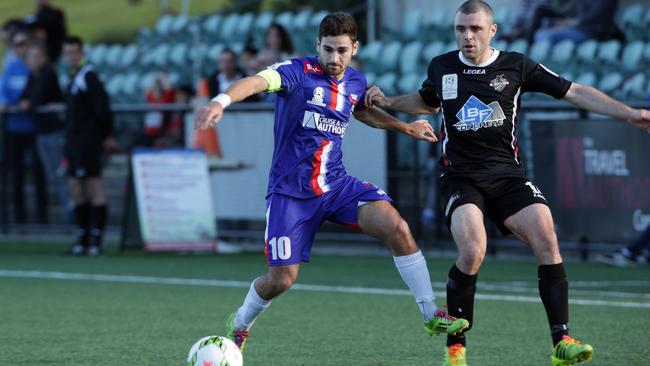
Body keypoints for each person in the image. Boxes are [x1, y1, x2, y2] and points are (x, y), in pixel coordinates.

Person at [364, 1, 650, 365]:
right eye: (461, 29)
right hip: (460, 177)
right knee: (472, 251)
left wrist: (629, 114)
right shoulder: (442, 66)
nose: (467, 36)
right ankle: (456, 348)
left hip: (508, 176)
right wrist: (387, 101)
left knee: (547, 236)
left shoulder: (517, 65)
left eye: (475, 29)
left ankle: (561, 341)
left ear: (492, 30)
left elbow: (574, 91)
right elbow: (426, 102)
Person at [194, 11, 470, 355]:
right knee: (281, 280)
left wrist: (405, 127)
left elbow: (362, 111)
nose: (334, 58)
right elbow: (255, 82)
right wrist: (221, 101)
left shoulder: (356, 81)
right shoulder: (296, 72)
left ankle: (430, 313)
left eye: (341, 50)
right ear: (317, 45)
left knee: (396, 227)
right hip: (290, 194)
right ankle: (239, 325)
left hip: (336, 186)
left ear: (354, 47)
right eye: (327, 50)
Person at [62, 36, 117, 256]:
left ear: (82, 52)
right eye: (67, 53)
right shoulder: (73, 77)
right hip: (74, 141)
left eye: (74, 52)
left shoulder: (89, 76)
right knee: (76, 188)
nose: (71, 57)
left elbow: (102, 109)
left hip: (87, 141)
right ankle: (83, 237)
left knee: (93, 186)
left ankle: (96, 238)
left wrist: (106, 135)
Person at [0, 28, 48, 224]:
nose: (21, 48)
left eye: (24, 43)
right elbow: (3, 91)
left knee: (39, 173)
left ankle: (42, 217)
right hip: (14, 129)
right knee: (17, 175)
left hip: (35, 129)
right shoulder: (11, 67)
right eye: (17, 44)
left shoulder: (36, 67)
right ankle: (19, 219)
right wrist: (5, 102)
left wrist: (28, 102)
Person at [20, 43, 71, 222]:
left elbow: (34, 100)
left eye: (39, 56)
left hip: (54, 132)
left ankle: (72, 215)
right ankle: (69, 213)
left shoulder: (48, 74)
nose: (36, 60)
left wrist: (30, 103)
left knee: (60, 173)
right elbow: (24, 98)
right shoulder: (33, 76)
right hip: (43, 132)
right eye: (32, 57)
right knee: (53, 175)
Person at [534, 0, 619, 43]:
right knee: (540, 33)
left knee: (551, 35)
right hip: (578, 28)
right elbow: (575, 15)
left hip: (591, 31)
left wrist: (571, 22)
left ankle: (548, 69)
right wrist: (563, 23)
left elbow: (593, 17)